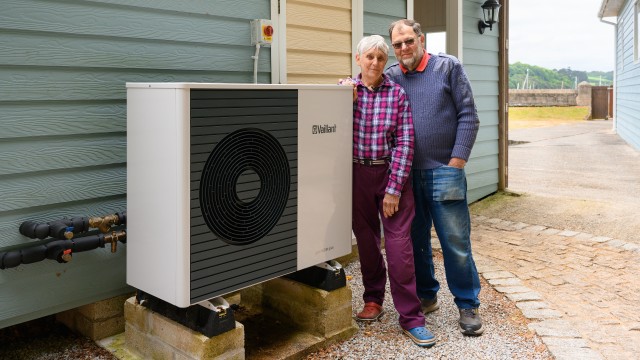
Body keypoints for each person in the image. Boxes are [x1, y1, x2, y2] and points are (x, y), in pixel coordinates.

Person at [385, 19, 484, 336]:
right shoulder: (391, 77)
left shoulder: (448, 67)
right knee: (415, 243)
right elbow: (368, 93)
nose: (403, 49)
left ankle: (467, 304)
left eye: (408, 41)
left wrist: (456, 161)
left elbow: (469, 114)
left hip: (445, 171)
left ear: (421, 39)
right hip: (406, 176)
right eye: (397, 45)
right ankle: (427, 296)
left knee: (455, 244)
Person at [344, 34, 435, 348]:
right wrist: (342, 97)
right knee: (367, 243)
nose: (374, 63)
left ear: (386, 63)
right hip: (356, 173)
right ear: (358, 59)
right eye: (369, 57)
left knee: (398, 251)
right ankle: (373, 299)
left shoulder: (396, 95)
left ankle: (411, 318)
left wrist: (394, 189)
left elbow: (405, 143)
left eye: (381, 58)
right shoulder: (345, 92)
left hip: (390, 175)